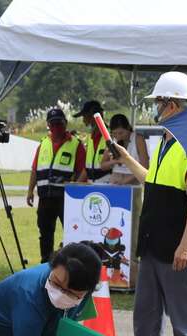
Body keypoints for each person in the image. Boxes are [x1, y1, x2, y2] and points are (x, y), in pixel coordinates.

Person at [109, 71, 187, 336]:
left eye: (160, 103)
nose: (156, 109)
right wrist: (126, 158)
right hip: (152, 244)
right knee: (146, 315)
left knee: (186, 318)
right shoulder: (166, 142)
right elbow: (151, 180)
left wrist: (186, 245)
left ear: (173, 105)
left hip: (175, 246)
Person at [26, 107, 87, 263]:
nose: (56, 127)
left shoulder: (76, 145)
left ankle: (71, 263)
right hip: (45, 197)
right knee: (45, 233)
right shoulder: (43, 144)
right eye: (52, 124)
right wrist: (30, 191)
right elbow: (34, 169)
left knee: (71, 232)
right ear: (48, 125)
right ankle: (45, 262)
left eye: (59, 123)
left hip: (66, 199)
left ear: (65, 123)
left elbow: (83, 170)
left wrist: (75, 190)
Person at [99, 113, 149, 186]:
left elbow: (145, 166)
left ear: (128, 128)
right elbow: (103, 166)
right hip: (115, 182)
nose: (118, 136)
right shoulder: (113, 140)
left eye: (121, 133)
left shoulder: (138, 139)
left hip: (133, 183)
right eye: (115, 133)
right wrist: (114, 161)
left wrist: (124, 181)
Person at [76, 100, 110, 184]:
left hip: (108, 188)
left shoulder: (111, 135)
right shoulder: (90, 138)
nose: (83, 120)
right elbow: (87, 168)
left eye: (85, 116)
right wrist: (76, 185)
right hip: (92, 189)